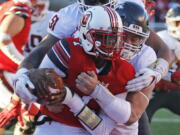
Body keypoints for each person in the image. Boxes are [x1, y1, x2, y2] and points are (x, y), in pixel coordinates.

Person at [19, 5, 156, 135]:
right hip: (60, 125)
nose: (111, 43)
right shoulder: (68, 50)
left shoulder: (127, 68)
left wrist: (77, 96)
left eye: (115, 38)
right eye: (104, 37)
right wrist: (33, 94)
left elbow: (109, 126)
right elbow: (30, 87)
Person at [14, 0, 173, 105]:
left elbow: (163, 49)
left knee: (132, 120)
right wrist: (22, 74)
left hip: (122, 82)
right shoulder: (68, 15)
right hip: (81, 85)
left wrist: (156, 72)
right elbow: (42, 50)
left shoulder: (126, 5)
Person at [0, 0, 51, 135]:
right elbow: (3, 38)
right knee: (31, 112)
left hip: (7, 71)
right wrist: (25, 63)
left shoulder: (6, 5)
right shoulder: (20, 8)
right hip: (4, 71)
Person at [146, 5, 180, 122]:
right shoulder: (161, 39)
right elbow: (150, 66)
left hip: (174, 89)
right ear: (169, 23)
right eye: (177, 23)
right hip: (153, 89)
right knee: (141, 121)